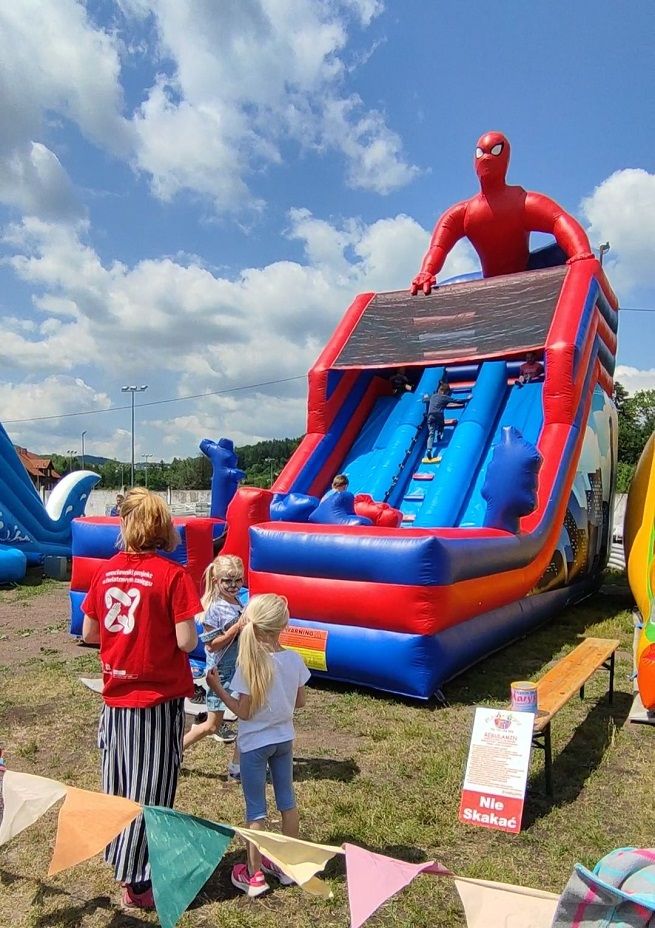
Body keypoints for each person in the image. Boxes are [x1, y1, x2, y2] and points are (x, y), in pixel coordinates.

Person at [81, 487, 201, 911]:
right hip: (155, 701)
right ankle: (138, 880)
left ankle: (121, 858)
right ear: (162, 528)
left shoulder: (105, 571)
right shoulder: (172, 575)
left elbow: (89, 633)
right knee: (151, 789)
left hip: (115, 699)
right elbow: (186, 642)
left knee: (117, 783)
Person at [207, 593, 310, 898]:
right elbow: (300, 702)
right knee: (287, 802)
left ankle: (254, 876)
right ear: (283, 625)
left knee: (256, 810)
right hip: (284, 740)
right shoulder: (295, 659)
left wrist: (217, 688)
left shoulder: (249, 665)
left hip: (254, 746)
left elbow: (243, 712)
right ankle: (288, 866)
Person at [183, 554, 243, 781]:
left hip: (239, 668)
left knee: (248, 718)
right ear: (216, 580)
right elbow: (211, 644)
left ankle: (237, 766)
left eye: (238, 580)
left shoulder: (237, 602)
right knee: (211, 725)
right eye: (228, 580)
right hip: (221, 672)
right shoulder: (214, 608)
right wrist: (236, 628)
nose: (234, 585)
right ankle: (174, 752)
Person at [423, 383, 467, 461]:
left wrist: (425, 397)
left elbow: (425, 400)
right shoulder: (445, 397)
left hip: (430, 415)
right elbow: (456, 401)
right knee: (441, 424)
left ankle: (429, 449)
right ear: (446, 392)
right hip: (438, 414)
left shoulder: (433, 396)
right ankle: (439, 434)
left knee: (431, 433)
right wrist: (466, 400)